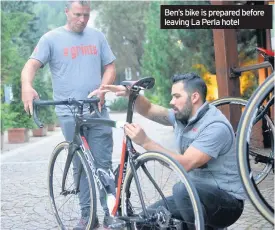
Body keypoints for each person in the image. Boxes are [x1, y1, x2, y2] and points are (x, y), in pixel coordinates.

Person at [21, 1, 125, 229]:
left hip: (96, 110)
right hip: (69, 113)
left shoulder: (97, 36)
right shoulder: (50, 39)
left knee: (103, 164)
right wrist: (26, 86)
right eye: (78, 14)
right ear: (66, 12)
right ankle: (88, 216)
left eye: (86, 15)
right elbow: (30, 65)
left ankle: (110, 214)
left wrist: (103, 88)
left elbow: (110, 67)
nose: (82, 20)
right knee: (80, 165)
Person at [101, 73, 245, 229]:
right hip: (193, 195)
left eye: (177, 96)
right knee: (144, 221)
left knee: (181, 189)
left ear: (194, 97)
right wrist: (131, 94)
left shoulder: (215, 127)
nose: (171, 102)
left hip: (227, 202)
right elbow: (148, 109)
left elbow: (185, 164)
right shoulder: (183, 117)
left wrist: (145, 142)